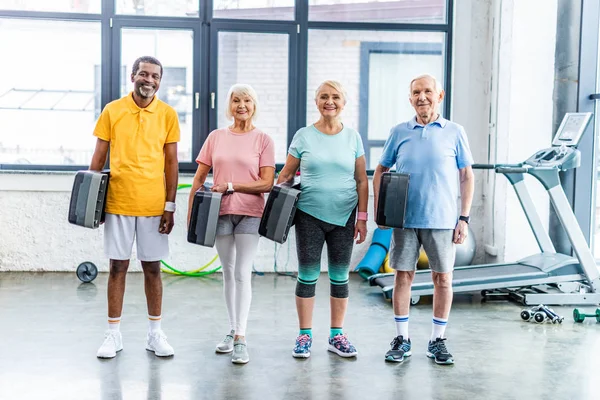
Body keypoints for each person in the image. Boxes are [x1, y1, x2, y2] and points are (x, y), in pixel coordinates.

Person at [373, 74, 474, 365]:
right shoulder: (399, 131)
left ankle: (437, 340)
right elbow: (380, 170)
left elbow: (467, 175)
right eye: (416, 92)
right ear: (410, 98)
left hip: (442, 220)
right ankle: (402, 339)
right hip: (404, 220)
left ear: (439, 96)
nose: (422, 97)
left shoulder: (455, 131)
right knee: (403, 276)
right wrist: (381, 210)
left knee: (443, 279)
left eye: (427, 91)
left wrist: (463, 218)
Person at [90, 56, 180, 359]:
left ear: (159, 81)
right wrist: (93, 203)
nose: (149, 80)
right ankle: (112, 335)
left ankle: (155, 334)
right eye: (143, 74)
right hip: (118, 202)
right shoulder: (112, 111)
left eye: (155, 76)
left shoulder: (167, 114)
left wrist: (170, 205)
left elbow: (171, 163)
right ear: (133, 77)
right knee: (117, 267)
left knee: (152, 269)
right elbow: (98, 158)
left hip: (154, 206)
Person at [277, 80, 368, 359]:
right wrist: (275, 211)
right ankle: (304, 336)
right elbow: (286, 175)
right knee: (307, 275)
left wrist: (362, 218)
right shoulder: (303, 135)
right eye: (324, 97)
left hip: (344, 216)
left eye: (336, 97)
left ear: (344, 102)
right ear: (316, 102)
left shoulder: (353, 137)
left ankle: (336, 335)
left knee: (340, 277)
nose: (330, 101)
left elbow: (362, 181)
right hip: (308, 214)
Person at [188, 84, 275, 364]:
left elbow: (266, 183)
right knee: (226, 272)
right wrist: (192, 212)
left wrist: (230, 185)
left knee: (241, 272)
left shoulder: (263, 139)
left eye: (247, 100)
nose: (241, 105)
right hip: (220, 212)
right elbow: (199, 178)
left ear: (254, 104)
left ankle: (241, 337)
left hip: (251, 213)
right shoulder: (216, 137)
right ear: (229, 105)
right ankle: (231, 329)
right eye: (236, 100)